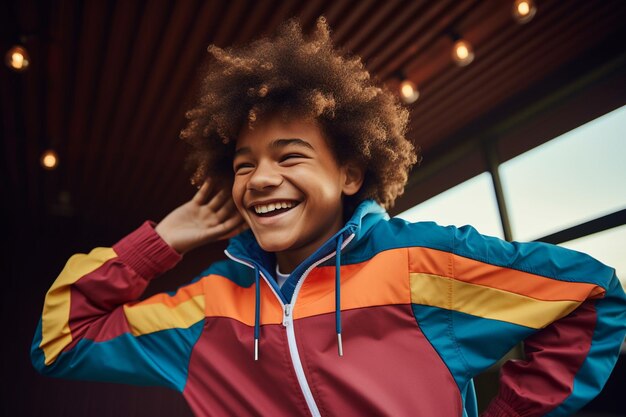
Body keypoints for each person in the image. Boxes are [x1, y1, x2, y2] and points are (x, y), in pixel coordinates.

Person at [31, 17, 626, 417]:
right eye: (243, 165)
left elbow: (594, 295)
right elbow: (60, 340)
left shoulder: (418, 265)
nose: (260, 178)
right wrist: (159, 241)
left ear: (349, 174)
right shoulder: (207, 306)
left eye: (290, 156)